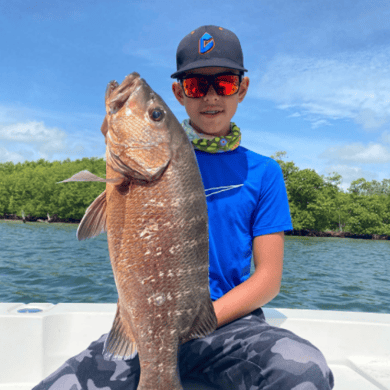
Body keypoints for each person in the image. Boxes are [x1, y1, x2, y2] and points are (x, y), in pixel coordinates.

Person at [33, 25, 334, 390]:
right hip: (144, 324)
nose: (210, 96)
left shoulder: (264, 173)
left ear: (242, 88)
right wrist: (123, 132)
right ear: (178, 92)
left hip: (230, 325)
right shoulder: (136, 169)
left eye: (223, 83)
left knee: (307, 372)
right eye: (195, 86)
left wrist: (190, 327)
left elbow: (268, 279)